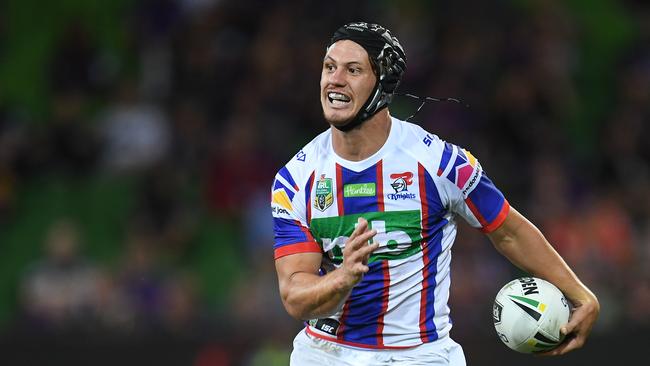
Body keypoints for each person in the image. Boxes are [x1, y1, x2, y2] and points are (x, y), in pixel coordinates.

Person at [270, 22, 599, 365]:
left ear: (383, 84)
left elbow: (508, 230)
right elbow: (295, 295)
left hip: (420, 355)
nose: (334, 79)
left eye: (353, 70)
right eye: (329, 67)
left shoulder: (440, 163)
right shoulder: (295, 180)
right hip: (326, 354)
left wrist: (580, 294)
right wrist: (343, 277)